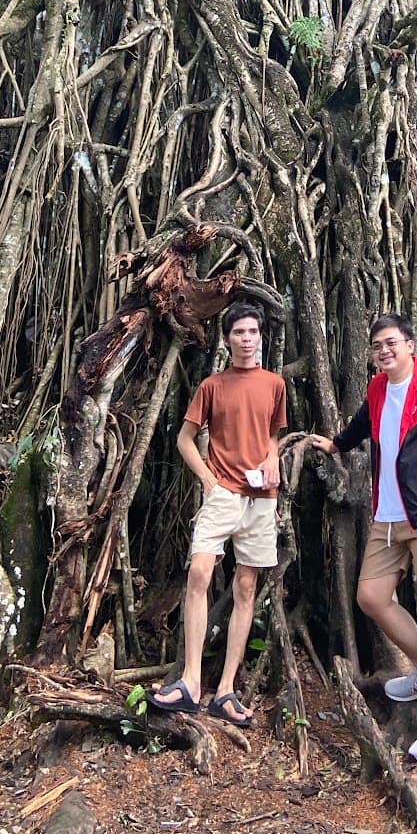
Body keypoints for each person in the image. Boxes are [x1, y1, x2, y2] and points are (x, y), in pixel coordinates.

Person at [308, 314, 417, 761]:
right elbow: (364, 423)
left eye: (392, 342)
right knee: (371, 596)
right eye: (377, 345)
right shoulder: (378, 388)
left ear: (410, 344)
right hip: (388, 512)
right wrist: (336, 445)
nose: (384, 350)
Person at [147, 300, 286, 726]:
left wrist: (274, 458)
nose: (247, 339)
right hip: (223, 493)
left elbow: (273, 436)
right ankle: (190, 680)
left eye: (252, 332)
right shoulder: (211, 386)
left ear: (261, 337)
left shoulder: (275, 384)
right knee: (200, 573)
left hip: (262, 498)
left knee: (246, 586)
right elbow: (185, 440)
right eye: (239, 333)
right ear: (227, 340)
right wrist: (208, 479)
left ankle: (225, 689)